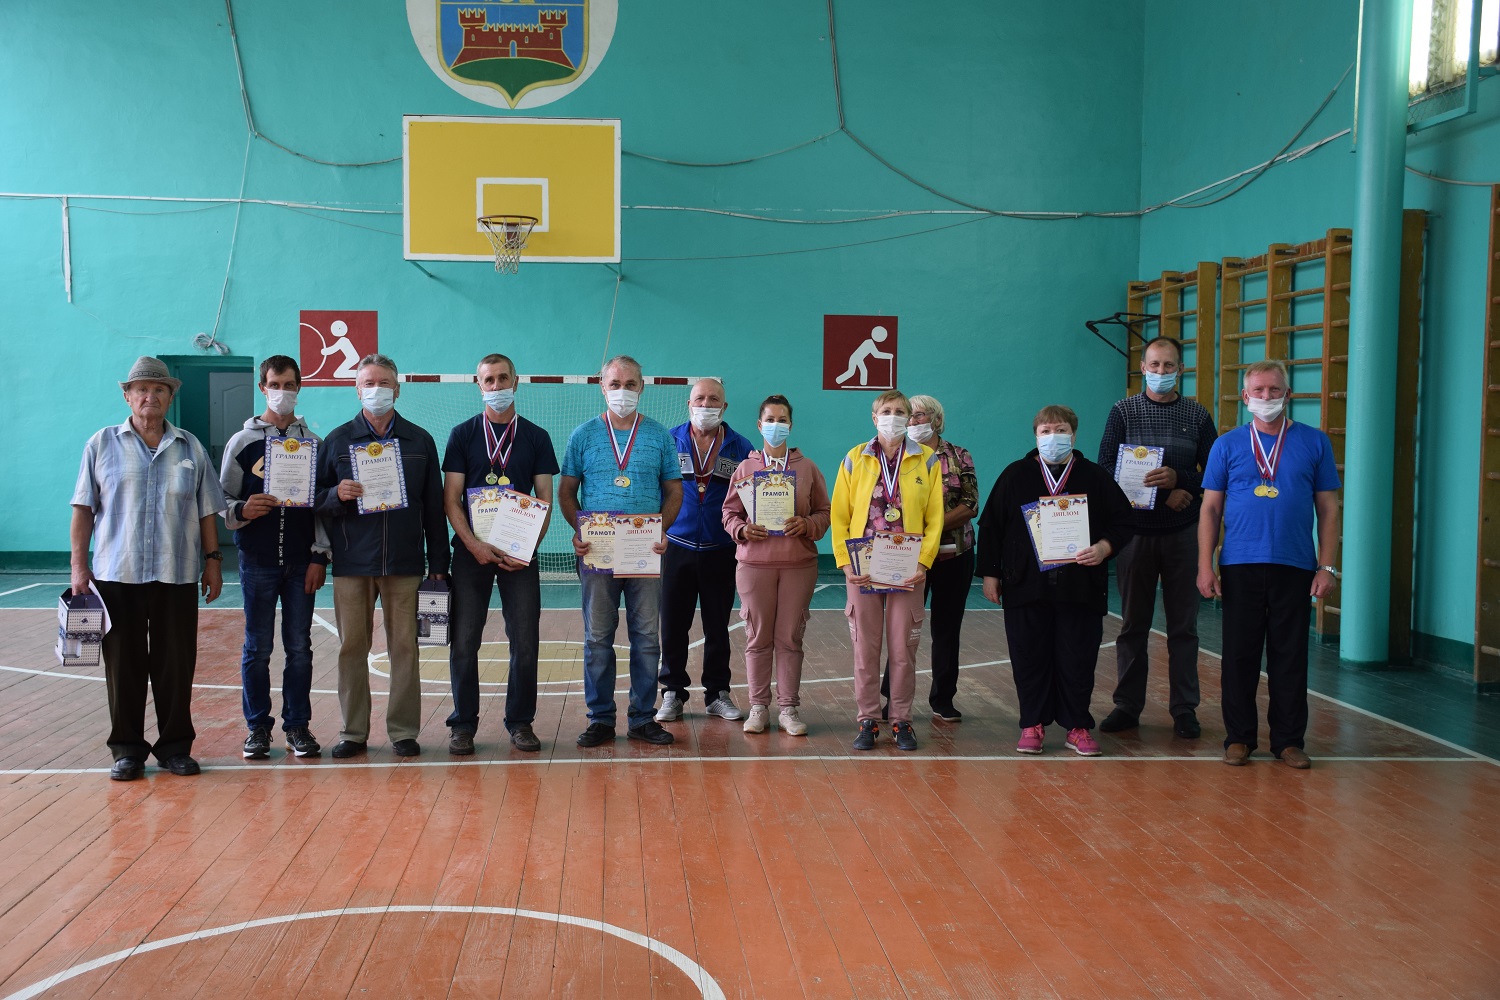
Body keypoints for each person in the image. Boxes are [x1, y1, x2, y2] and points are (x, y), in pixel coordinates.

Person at [70, 356, 227, 780]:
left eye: (159, 389)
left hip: (177, 572)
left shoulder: (190, 447)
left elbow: (207, 510)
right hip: (115, 573)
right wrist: (78, 567)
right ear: (127, 395)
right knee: (124, 665)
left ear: (170, 397)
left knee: (176, 665)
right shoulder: (101, 443)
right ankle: (127, 750)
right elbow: (83, 508)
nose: (150, 396)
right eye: (141, 389)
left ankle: (175, 748)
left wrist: (213, 562)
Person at [1198, 359, 1340, 769]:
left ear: (1288, 394)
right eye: (1258, 390)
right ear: (1245, 397)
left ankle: (1289, 741)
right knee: (1238, 655)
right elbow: (1210, 509)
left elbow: (1329, 509)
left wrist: (1326, 567)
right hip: (1239, 563)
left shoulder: (1315, 442)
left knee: (1290, 655)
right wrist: (1205, 565)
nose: (1266, 396)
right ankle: (1239, 738)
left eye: (1274, 390)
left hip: (1295, 564)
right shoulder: (1226, 445)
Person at [977, 405, 1134, 757]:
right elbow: (991, 526)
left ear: (1073, 435)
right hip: (1025, 584)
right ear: (1035, 436)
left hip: (1081, 585)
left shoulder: (1094, 476)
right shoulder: (1015, 475)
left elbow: (1123, 521)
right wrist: (990, 574)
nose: (1053, 437)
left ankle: (1077, 725)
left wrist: (1104, 547)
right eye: (1045, 431)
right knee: (1028, 656)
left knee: (1078, 657)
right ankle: (1032, 723)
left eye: (1060, 430)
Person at [315, 353, 449, 759]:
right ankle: (353, 732)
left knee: (405, 648)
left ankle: (403, 731)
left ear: (397, 389)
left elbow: (434, 507)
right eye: (369, 383)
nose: (377, 390)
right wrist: (335, 494)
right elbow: (313, 501)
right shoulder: (337, 440)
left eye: (384, 383)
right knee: (351, 649)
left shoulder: (420, 441)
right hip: (352, 564)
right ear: (357, 390)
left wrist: (438, 564)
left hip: (405, 563)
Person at [1095, 336, 1218, 739]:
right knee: (1133, 625)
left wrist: (1182, 480)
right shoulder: (1123, 411)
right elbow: (1106, 468)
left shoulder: (1197, 415)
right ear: (1143, 368)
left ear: (1180, 369)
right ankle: (1127, 706)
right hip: (1134, 535)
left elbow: (1215, 473)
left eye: (1168, 365)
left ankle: (1184, 709)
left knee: (1184, 628)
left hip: (1184, 534)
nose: (1160, 372)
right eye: (1154, 365)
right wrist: (1164, 494)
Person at [559, 355, 682, 747]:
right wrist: (579, 530)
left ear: (641, 387)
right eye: (615, 384)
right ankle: (600, 719)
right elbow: (566, 491)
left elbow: (674, 491)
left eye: (630, 384)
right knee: (598, 637)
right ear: (602, 387)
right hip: (597, 552)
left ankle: (643, 718)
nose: (622, 391)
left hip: (645, 551)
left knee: (646, 637)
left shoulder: (660, 436)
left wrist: (662, 529)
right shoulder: (583, 435)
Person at [441, 353, 558, 754]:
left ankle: (520, 721)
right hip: (470, 553)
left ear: (515, 382)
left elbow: (545, 498)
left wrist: (528, 549)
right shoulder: (462, 434)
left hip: (519, 556)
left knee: (525, 641)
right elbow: (451, 499)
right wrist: (473, 545)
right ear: (479, 385)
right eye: (488, 380)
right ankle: (463, 724)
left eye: (502, 378)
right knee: (463, 641)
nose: (496, 386)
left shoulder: (537, 437)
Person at [220, 355, 331, 760]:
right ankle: (257, 729)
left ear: (299, 388)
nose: (282, 392)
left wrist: (320, 556)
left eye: (289, 385)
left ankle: (297, 726)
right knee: (258, 648)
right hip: (257, 561)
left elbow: (322, 506)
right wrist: (242, 510)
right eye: (274, 385)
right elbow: (221, 499)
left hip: (302, 563)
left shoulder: (314, 444)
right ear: (262, 388)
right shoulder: (242, 442)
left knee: (299, 647)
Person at [829, 390, 945, 751]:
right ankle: (867, 719)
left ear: (908, 418)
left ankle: (901, 720)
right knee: (865, 648)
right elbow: (839, 515)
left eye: (899, 411)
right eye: (886, 411)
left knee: (902, 649)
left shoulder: (927, 460)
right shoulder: (854, 458)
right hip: (862, 568)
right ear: (874, 417)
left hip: (907, 569)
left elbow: (935, 517)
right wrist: (845, 562)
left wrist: (924, 562)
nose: (893, 417)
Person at [722, 395, 831, 735]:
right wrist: (742, 530)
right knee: (757, 637)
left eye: (782, 419)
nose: (776, 425)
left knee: (790, 637)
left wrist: (807, 524)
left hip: (798, 564)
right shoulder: (745, 468)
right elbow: (728, 513)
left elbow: (825, 512)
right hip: (755, 564)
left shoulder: (807, 468)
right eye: (770, 419)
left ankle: (788, 709)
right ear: (759, 425)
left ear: (790, 425)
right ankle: (758, 707)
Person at [657, 378, 756, 724]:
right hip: (676, 546)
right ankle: (672, 692)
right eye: (699, 398)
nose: (706, 404)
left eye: (714, 399)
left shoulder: (741, 447)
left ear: (724, 407)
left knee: (717, 625)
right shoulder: (669, 440)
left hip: (721, 548)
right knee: (673, 624)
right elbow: (656, 488)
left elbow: (751, 500)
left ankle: (717, 694)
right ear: (689, 404)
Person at [880, 394, 979, 722]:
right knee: (901, 629)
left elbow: (970, 505)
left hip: (954, 555)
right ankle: (892, 699)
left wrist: (929, 529)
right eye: (909, 416)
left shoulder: (959, 455)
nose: (912, 421)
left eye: (920, 416)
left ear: (937, 419)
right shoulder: (897, 455)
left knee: (947, 629)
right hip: (906, 555)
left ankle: (943, 699)